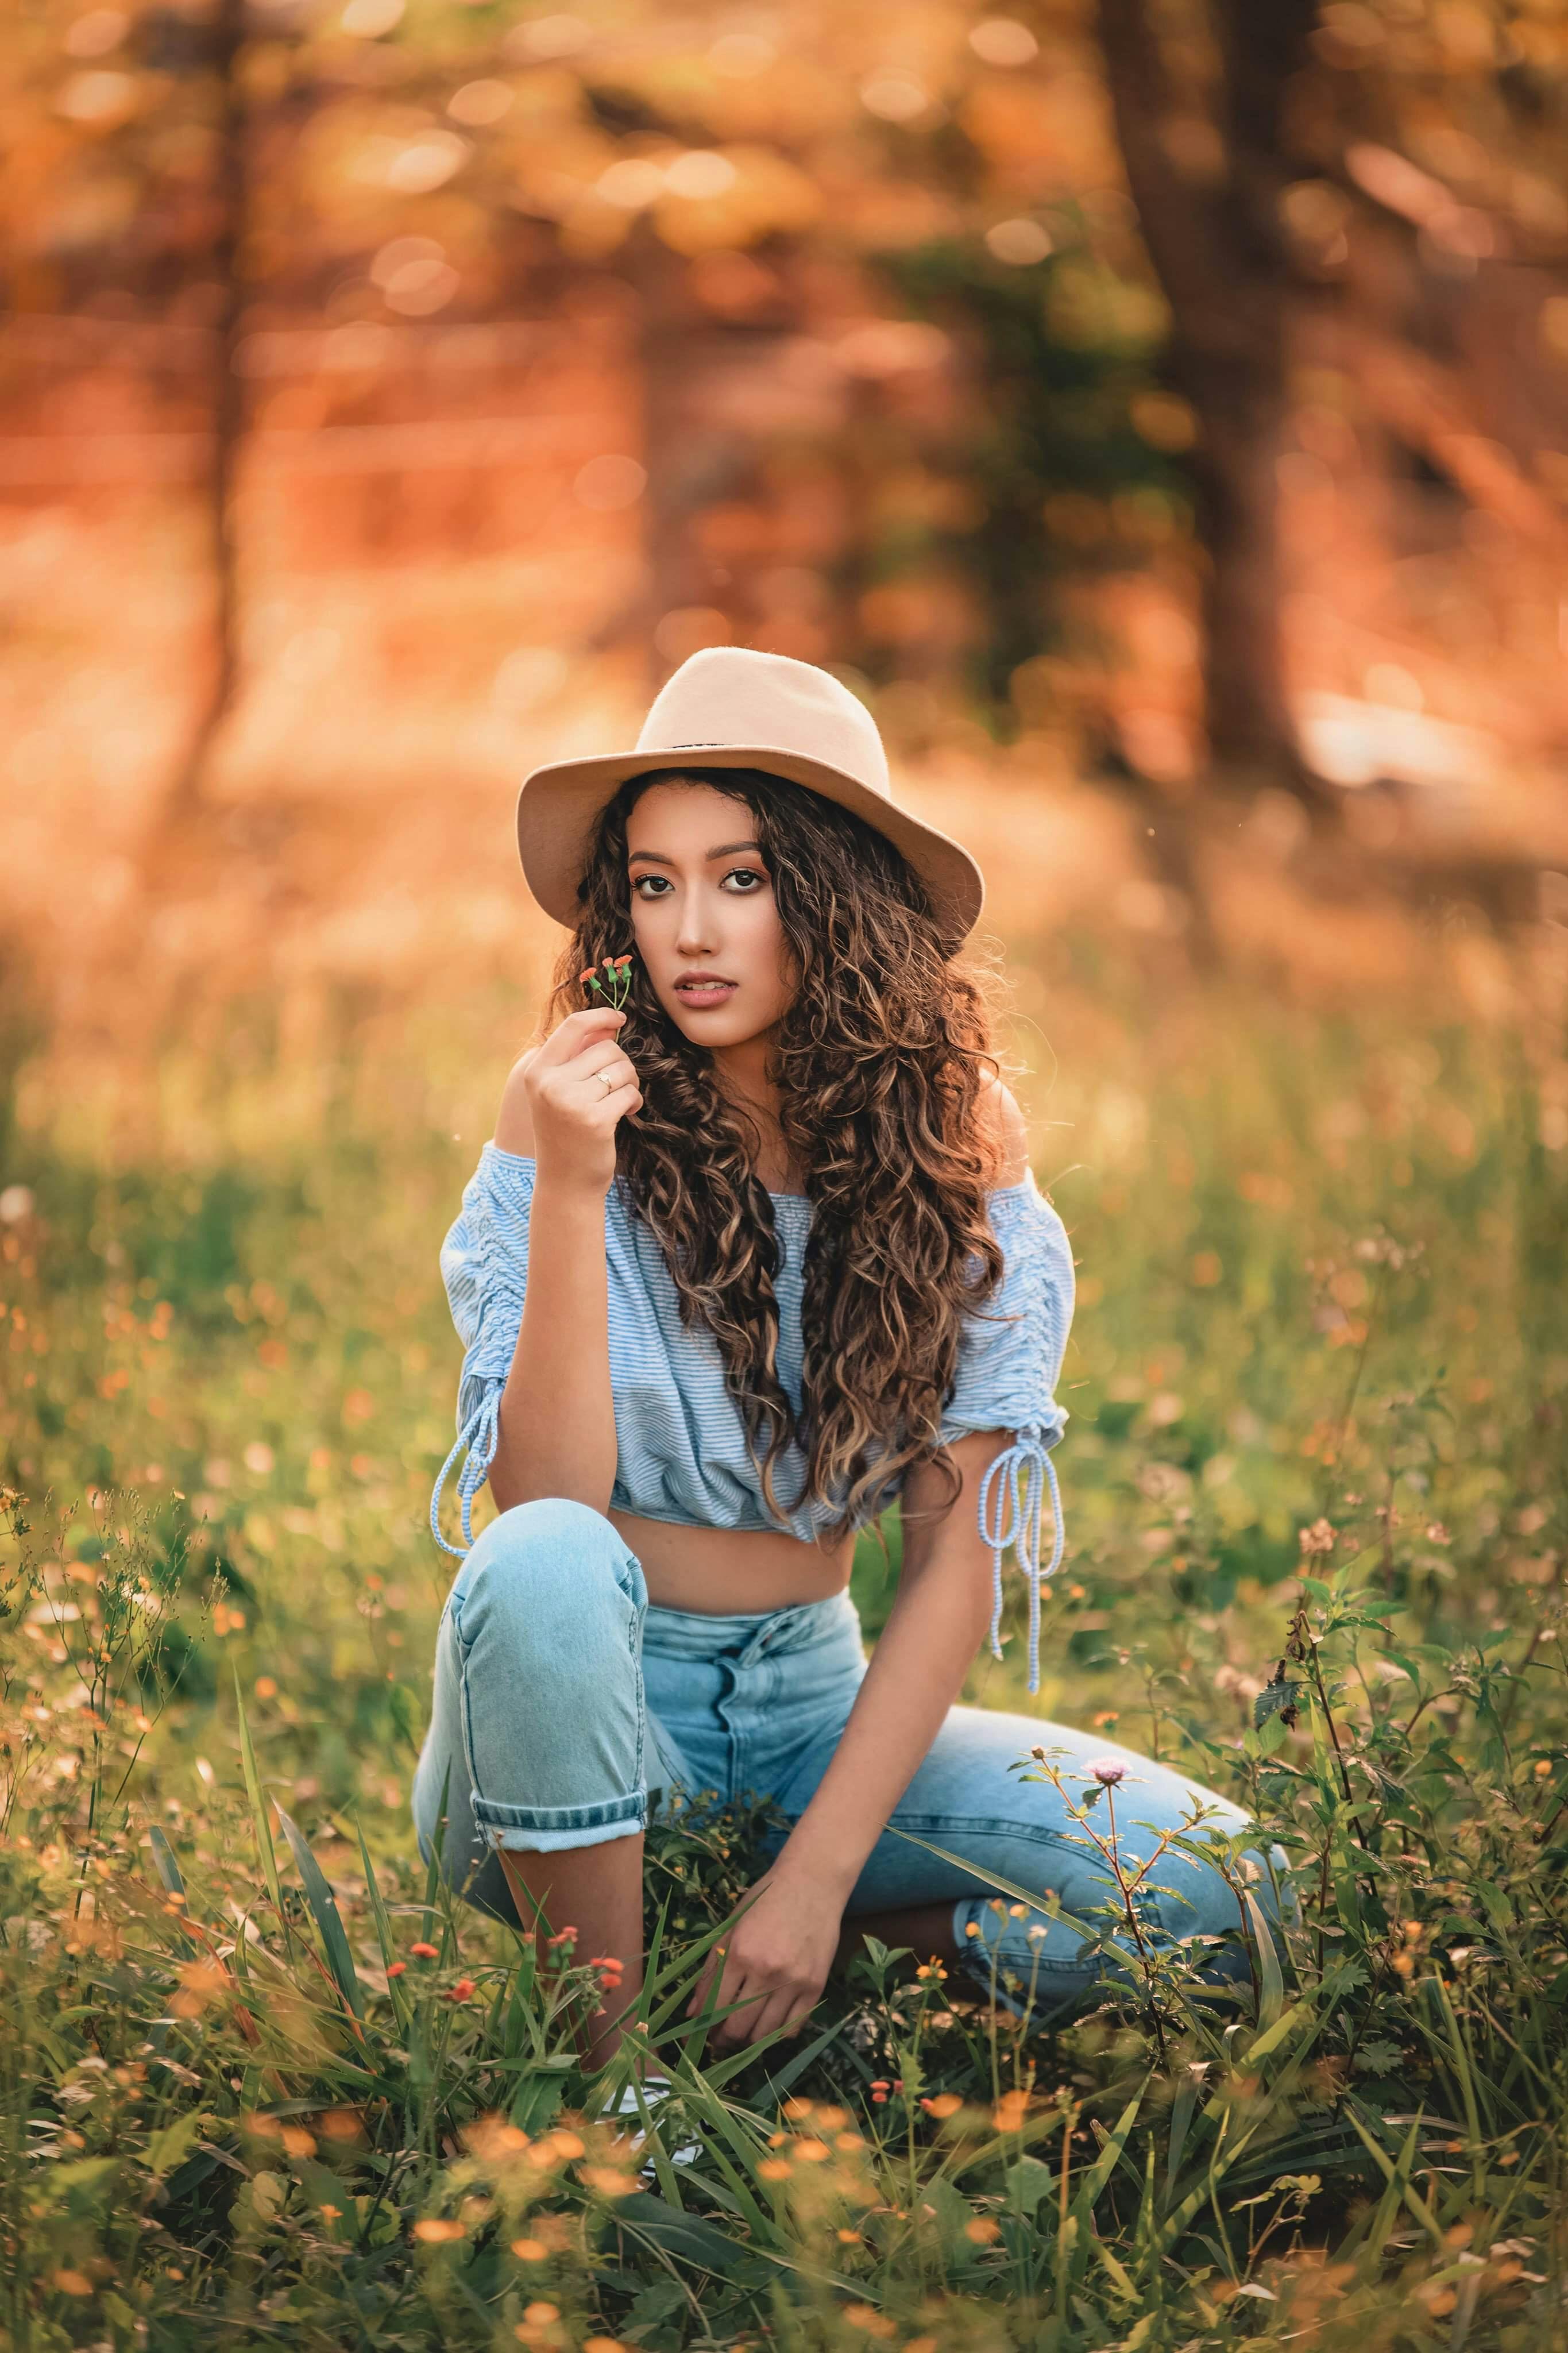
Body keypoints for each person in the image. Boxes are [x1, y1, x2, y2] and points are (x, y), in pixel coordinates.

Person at [412, 646, 1261, 2082]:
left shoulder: (952, 1134)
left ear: (834, 895)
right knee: (545, 1559)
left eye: (742, 878)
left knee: (1223, 1893)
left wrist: (814, 1883)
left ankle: (785, 1964)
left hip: (816, 1706)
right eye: (655, 880)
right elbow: (543, 1500)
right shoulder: (569, 1100)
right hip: (584, 1718)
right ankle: (617, 2094)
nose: (692, 928)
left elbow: (950, 1563)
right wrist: (568, 1186)